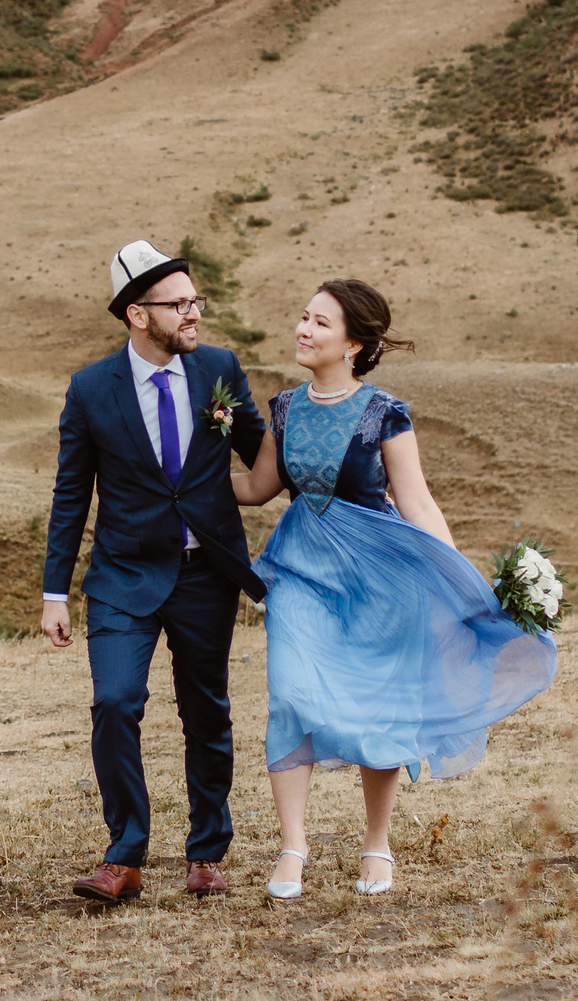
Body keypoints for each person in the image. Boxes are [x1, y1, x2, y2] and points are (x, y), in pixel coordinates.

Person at [232, 278, 557, 899]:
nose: (303, 329)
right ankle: (292, 847)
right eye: (303, 317)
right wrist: (177, 481)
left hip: (382, 579)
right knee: (291, 694)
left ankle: (376, 844)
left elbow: (417, 503)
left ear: (353, 342)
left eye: (319, 323)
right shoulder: (282, 408)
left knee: (379, 707)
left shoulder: (386, 412)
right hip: (300, 571)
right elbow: (257, 488)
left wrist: (461, 581)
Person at [42, 240, 269, 903]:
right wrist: (54, 589)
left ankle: (206, 851)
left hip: (208, 574)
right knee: (115, 702)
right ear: (138, 315)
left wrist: (348, 482)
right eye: (179, 304)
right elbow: (69, 495)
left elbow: (262, 451)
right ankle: (125, 854)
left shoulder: (219, 370)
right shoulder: (90, 390)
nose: (193, 313)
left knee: (207, 712)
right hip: (122, 575)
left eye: (195, 299)